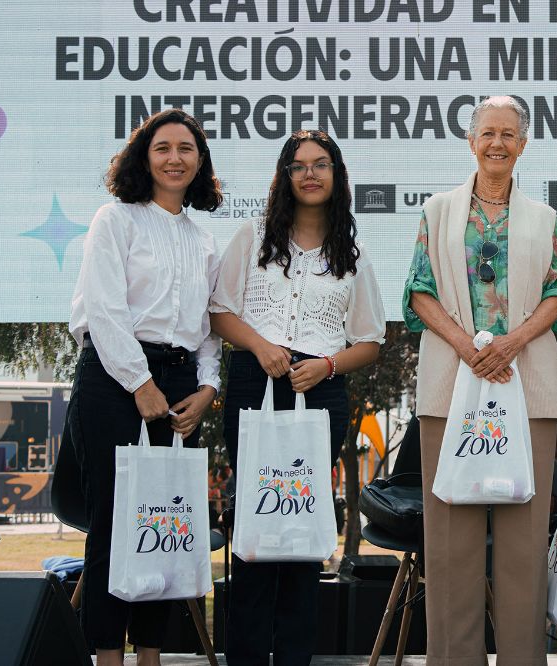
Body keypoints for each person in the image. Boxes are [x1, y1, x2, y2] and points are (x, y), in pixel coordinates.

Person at [402, 95, 557, 663]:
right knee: (451, 545)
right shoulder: (437, 211)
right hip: (451, 388)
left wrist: (511, 344)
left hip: (528, 388)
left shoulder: (546, 218)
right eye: (488, 133)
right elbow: (419, 291)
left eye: (509, 134)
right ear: (471, 141)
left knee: (524, 544)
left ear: (522, 145)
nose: (497, 143)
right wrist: (466, 346)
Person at [209, 129, 385, 666]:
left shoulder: (350, 253)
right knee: (258, 523)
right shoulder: (253, 234)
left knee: (302, 524)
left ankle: (293, 657)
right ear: (285, 177)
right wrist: (261, 347)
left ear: (337, 175)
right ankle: (243, 655)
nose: (310, 173)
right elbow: (219, 312)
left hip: (321, 392)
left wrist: (326, 365)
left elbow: (371, 341)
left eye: (321, 163)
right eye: (299, 165)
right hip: (253, 382)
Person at [65, 108, 224, 666]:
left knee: (166, 524)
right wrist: (139, 383)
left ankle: (150, 656)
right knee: (115, 525)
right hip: (114, 380)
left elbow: (208, 325)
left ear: (200, 161)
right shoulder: (116, 220)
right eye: (163, 148)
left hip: (180, 383)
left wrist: (207, 389)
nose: (175, 158)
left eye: (186, 148)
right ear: (144, 156)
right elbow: (105, 312)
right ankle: (108, 657)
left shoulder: (203, 238)